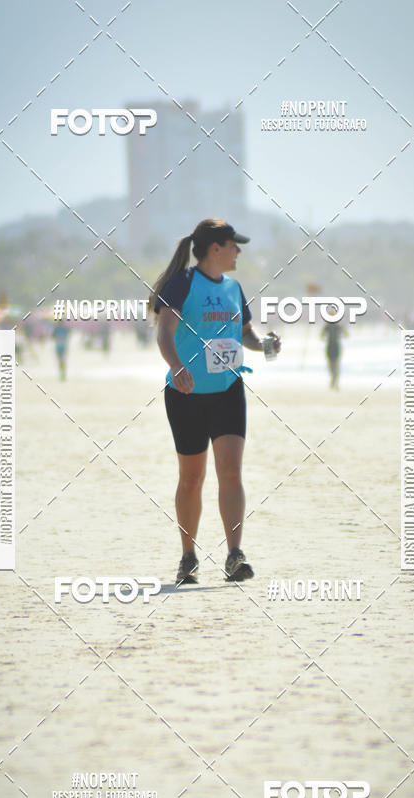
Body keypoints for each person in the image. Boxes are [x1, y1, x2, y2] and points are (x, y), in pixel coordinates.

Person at [150, 218, 281, 585]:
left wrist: (265, 344)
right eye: (233, 245)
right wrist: (177, 367)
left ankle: (234, 555)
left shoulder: (234, 288)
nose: (238, 251)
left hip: (228, 391)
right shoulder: (182, 284)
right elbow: (165, 333)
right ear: (214, 249)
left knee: (231, 473)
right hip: (186, 395)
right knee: (191, 479)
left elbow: (245, 334)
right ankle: (188, 557)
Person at [321, 310, 345, 390]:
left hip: (334, 346)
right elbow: (322, 335)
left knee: (335, 365)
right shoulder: (328, 326)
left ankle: (334, 381)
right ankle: (334, 380)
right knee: (332, 365)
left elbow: (345, 334)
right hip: (331, 346)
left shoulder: (337, 325)